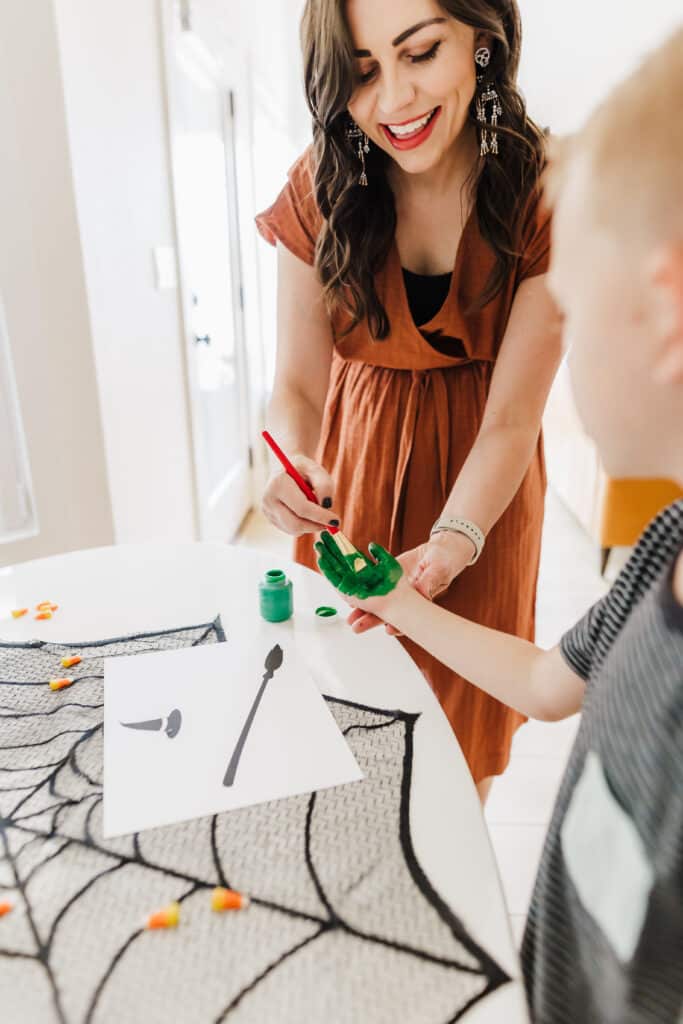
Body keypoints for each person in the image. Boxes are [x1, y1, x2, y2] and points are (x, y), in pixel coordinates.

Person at [315, 26, 683, 1022]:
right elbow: (542, 681)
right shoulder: (660, 553)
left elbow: (509, 422)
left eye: (567, 290)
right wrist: (400, 593)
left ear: (664, 312)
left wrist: (455, 538)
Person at [256, 0, 562, 801]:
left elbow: (510, 420)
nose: (392, 101)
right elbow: (294, 388)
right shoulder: (319, 185)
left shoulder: (543, 192)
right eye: (361, 73)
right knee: (335, 740)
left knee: (452, 765)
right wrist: (289, 462)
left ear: (482, 42)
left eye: (419, 53)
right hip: (351, 480)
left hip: (479, 506)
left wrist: (453, 543)